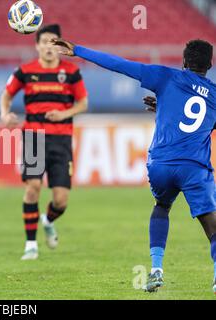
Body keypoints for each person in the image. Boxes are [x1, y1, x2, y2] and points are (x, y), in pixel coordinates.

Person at [52, 37, 216, 293]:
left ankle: (156, 269)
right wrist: (166, 107)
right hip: (193, 167)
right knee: (212, 226)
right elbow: (198, 119)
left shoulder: (165, 76)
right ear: (210, 64)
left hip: (160, 165)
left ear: (184, 61)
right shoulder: (214, 96)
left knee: (162, 206)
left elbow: (119, 64)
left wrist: (78, 50)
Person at [0, 24, 88, 260]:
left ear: (59, 46)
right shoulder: (25, 71)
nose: (49, 47)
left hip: (61, 139)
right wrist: (5, 114)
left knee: (61, 200)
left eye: (54, 42)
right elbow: (6, 95)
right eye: (45, 41)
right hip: (34, 136)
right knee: (33, 187)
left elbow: (83, 103)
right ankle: (31, 244)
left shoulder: (71, 72)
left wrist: (63, 114)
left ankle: (47, 220)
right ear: (36, 45)